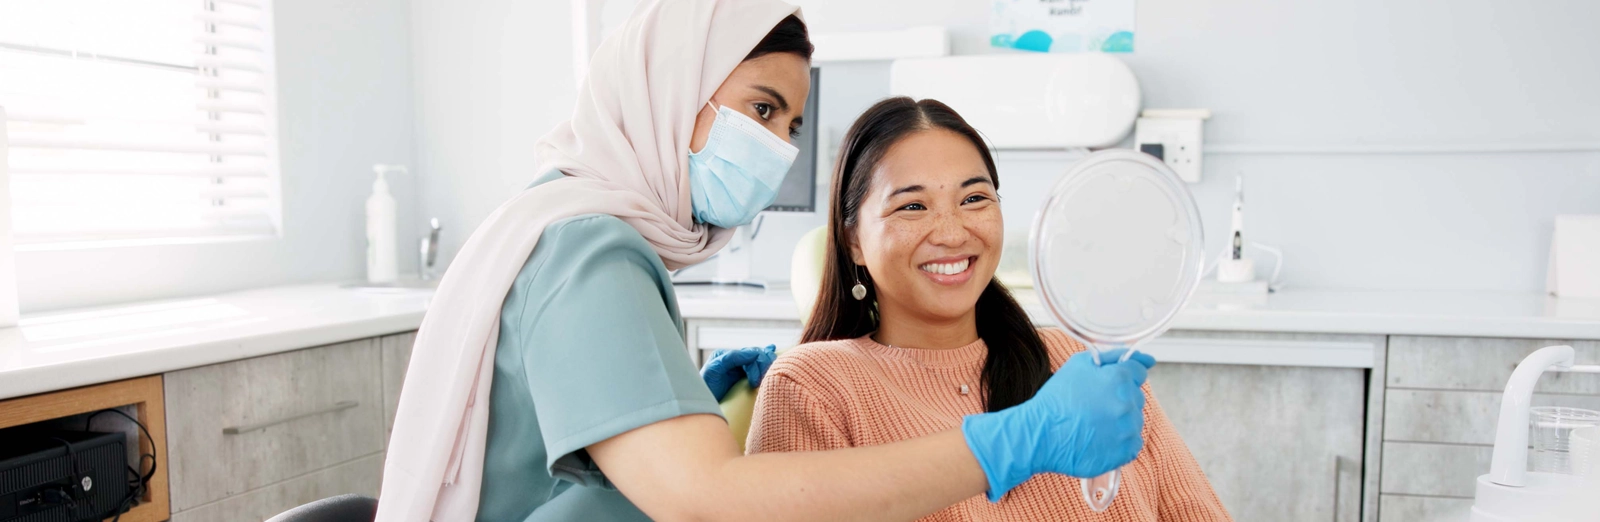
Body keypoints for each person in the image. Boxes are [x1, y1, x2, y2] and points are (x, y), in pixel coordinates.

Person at [378, 2, 1154, 521]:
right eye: (760, 109)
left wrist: (680, 410)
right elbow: (706, 499)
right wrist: (1017, 441)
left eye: (791, 123)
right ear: (668, 91)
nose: (777, 148)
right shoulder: (591, 251)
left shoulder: (560, 224)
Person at [746, 96, 1232, 521]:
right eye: (912, 207)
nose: (953, 232)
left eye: (975, 198)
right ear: (853, 239)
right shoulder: (813, 387)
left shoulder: (1075, 363)